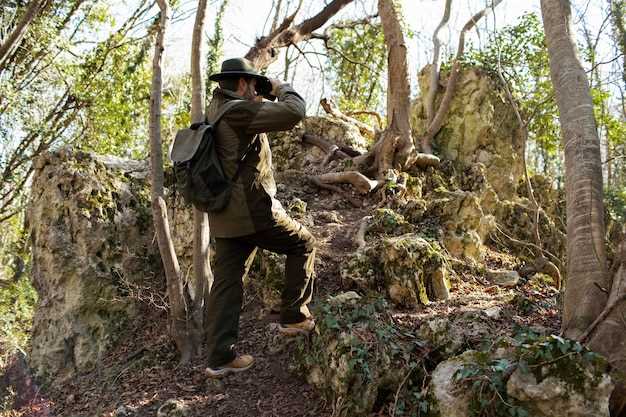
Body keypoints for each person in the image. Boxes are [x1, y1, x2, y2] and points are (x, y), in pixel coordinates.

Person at [203, 58, 317, 378]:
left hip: (224, 214)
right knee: (303, 244)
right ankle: (294, 316)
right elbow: (294, 112)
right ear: (241, 84)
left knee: (227, 284)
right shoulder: (238, 111)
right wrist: (281, 89)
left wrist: (260, 96)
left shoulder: (215, 109)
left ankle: (219, 358)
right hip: (251, 212)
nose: (257, 89)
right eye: (253, 84)